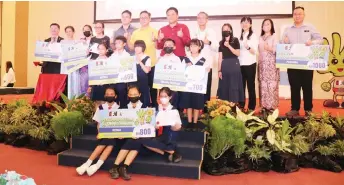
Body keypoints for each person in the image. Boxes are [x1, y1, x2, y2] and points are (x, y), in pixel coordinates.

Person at [282, 6, 323, 117]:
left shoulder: (310, 27)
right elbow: (282, 44)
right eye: (295, 14)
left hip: (307, 63)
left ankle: (308, 109)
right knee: (294, 86)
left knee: (307, 87)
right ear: (293, 16)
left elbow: (321, 40)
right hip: (292, 63)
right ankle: (294, 109)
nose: (297, 16)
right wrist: (284, 41)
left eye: (300, 14)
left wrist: (312, 42)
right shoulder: (287, 29)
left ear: (304, 15)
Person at [76, 87, 120, 176]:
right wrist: (100, 133)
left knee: (110, 140)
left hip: (115, 133)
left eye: (112, 94)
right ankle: (96, 166)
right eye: (107, 94)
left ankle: (88, 163)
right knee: (109, 142)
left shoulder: (120, 108)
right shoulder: (101, 107)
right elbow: (98, 123)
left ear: (115, 96)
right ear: (104, 96)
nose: (109, 96)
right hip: (104, 133)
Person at [109, 84, 146, 180]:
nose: (133, 96)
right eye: (131, 94)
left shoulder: (145, 107)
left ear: (140, 94)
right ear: (128, 95)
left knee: (137, 140)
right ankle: (122, 168)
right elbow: (120, 123)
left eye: (135, 94)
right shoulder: (123, 107)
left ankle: (117, 167)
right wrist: (120, 133)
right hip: (125, 136)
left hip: (139, 135)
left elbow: (147, 123)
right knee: (133, 141)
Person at [140, 87, 182, 162]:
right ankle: (170, 152)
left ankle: (169, 149)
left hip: (168, 135)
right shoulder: (155, 109)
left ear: (170, 97)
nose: (163, 98)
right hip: (157, 134)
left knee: (171, 135)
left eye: (165, 96)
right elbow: (150, 124)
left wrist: (175, 127)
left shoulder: (173, 110)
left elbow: (178, 127)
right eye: (161, 96)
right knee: (143, 141)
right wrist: (154, 126)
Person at [128, 10, 158, 107]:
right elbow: (132, 47)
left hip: (151, 64)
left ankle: (154, 108)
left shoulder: (155, 31)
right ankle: (141, 107)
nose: (143, 19)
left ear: (149, 19)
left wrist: (156, 40)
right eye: (141, 17)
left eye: (145, 17)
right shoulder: (135, 32)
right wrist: (128, 38)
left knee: (152, 89)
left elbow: (158, 47)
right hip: (138, 64)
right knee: (139, 88)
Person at [180, 39, 208, 130]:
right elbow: (181, 72)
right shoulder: (185, 59)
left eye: (195, 46)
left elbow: (207, 71)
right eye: (191, 46)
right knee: (188, 104)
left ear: (199, 47)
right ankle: (189, 122)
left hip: (198, 86)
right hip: (188, 86)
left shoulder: (203, 59)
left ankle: (195, 122)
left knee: (196, 104)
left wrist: (207, 70)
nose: (193, 48)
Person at [193, 11, 218, 112]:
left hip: (207, 64)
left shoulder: (211, 32)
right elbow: (190, 48)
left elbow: (216, 47)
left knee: (206, 87)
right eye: (199, 18)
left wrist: (209, 42)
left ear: (207, 20)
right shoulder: (195, 32)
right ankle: (196, 108)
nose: (201, 20)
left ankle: (206, 109)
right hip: (196, 63)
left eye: (203, 18)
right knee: (196, 86)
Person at [217, 24, 244, 104]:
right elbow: (220, 58)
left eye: (227, 29)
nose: (226, 31)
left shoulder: (235, 40)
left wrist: (228, 45)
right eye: (224, 29)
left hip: (234, 64)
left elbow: (238, 53)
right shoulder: (221, 42)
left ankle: (234, 108)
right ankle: (225, 109)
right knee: (224, 87)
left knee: (233, 86)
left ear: (231, 30)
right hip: (224, 66)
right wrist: (219, 70)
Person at [258, 19, 279, 114]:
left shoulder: (274, 36)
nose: (266, 26)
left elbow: (277, 49)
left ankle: (271, 107)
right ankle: (264, 106)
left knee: (271, 84)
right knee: (263, 85)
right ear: (262, 27)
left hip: (271, 64)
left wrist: (269, 48)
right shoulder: (260, 37)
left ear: (271, 26)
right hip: (262, 64)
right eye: (264, 24)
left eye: (268, 24)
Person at [238, 17, 258, 112]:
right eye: (243, 22)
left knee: (250, 86)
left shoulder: (253, 35)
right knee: (241, 86)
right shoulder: (240, 35)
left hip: (250, 64)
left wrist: (247, 46)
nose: (245, 24)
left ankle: (251, 107)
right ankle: (241, 105)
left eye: (247, 22)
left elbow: (254, 52)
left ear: (250, 24)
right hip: (241, 64)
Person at [156, 38, 184, 108]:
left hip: (173, 89)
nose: (167, 46)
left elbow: (179, 75)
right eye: (165, 45)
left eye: (169, 45)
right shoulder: (160, 59)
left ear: (174, 47)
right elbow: (157, 77)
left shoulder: (177, 59)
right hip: (163, 89)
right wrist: (158, 94)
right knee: (163, 109)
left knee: (173, 109)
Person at [130, 40, 151, 107]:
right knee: (133, 98)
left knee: (143, 98)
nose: (137, 48)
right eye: (135, 46)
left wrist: (140, 61)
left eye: (139, 46)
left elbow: (147, 71)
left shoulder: (147, 58)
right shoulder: (131, 57)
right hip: (133, 82)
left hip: (143, 81)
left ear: (143, 47)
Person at [111, 36, 131, 107]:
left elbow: (129, 69)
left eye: (119, 43)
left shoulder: (128, 56)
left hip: (123, 80)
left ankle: (124, 114)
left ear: (124, 44)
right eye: (116, 43)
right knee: (114, 98)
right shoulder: (112, 56)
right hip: (114, 80)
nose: (117, 45)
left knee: (123, 98)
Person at [63, 26, 81, 99]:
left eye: (70, 31)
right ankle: (67, 102)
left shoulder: (78, 42)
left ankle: (76, 100)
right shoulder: (62, 42)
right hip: (66, 66)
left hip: (75, 65)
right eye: (67, 31)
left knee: (75, 81)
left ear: (73, 32)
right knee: (67, 83)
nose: (68, 33)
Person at [80, 25, 93, 96]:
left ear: (91, 31)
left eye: (87, 29)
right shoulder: (81, 41)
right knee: (83, 83)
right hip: (83, 65)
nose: (86, 31)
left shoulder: (95, 40)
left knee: (92, 84)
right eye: (84, 30)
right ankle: (84, 100)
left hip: (93, 64)